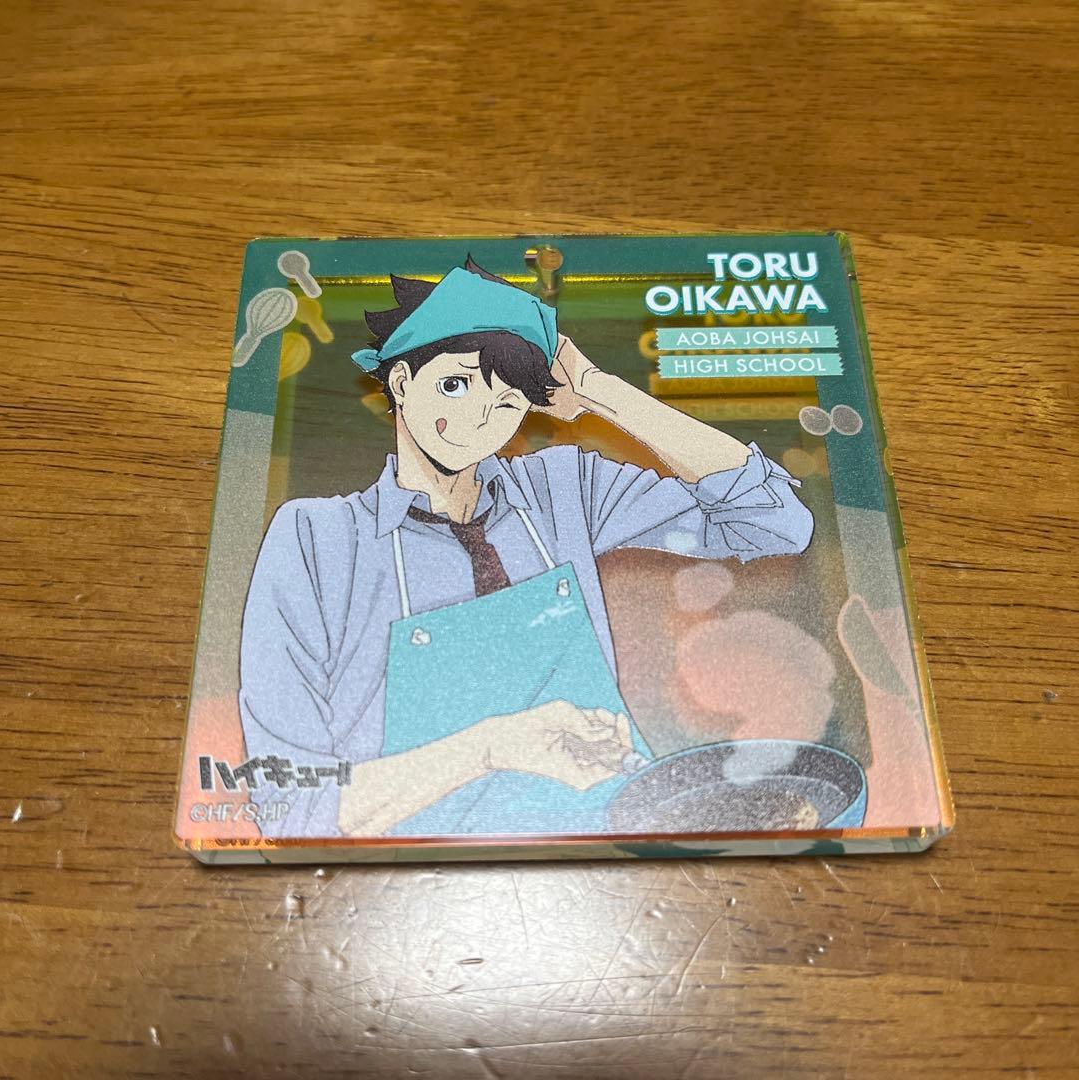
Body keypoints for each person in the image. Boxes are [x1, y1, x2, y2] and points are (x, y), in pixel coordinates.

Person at [239, 258, 814, 838]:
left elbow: (773, 523)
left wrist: (600, 391)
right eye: (455, 384)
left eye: (508, 401)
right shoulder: (318, 540)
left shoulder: (562, 489)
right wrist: (491, 747)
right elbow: (289, 805)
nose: (479, 419)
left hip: (614, 839)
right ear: (403, 382)